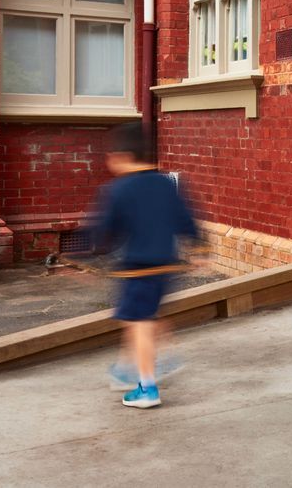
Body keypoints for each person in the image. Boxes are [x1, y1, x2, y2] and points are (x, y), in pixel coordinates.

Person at [87, 122, 201, 409]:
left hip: (137, 268)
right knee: (139, 316)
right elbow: (186, 218)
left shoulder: (118, 189)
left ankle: (148, 386)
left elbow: (103, 228)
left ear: (123, 156)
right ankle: (130, 368)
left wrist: (85, 255)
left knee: (139, 322)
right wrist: (200, 247)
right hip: (166, 266)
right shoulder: (166, 183)